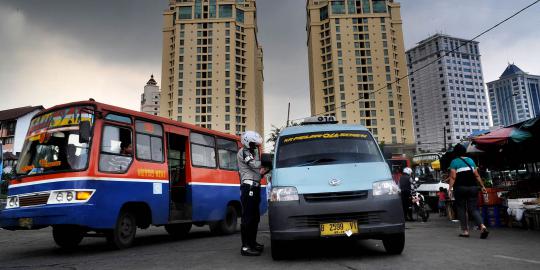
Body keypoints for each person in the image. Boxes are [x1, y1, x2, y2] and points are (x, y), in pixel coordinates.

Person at [448, 144, 489, 239]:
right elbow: (477, 175)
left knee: (461, 209)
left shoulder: (454, 162)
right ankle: (482, 226)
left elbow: (453, 177)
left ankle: (465, 231)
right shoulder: (470, 160)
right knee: (473, 209)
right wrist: (482, 186)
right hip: (473, 188)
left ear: (456, 153)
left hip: (460, 188)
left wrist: (450, 189)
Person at [237, 130, 267, 256]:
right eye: (254, 144)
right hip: (248, 187)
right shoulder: (244, 152)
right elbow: (254, 165)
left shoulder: (251, 152)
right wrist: (267, 161)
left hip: (255, 187)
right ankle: (245, 247)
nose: (256, 146)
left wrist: (265, 170)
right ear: (248, 142)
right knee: (248, 217)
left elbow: (258, 172)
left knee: (255, 217)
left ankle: (252, 243)